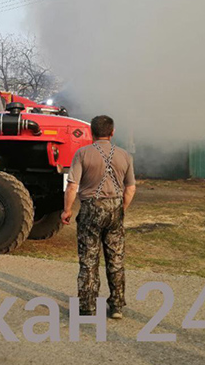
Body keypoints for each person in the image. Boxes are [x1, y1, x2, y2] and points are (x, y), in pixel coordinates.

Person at [61, 115, 136, 319]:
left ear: (92, 132)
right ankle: (117, 306)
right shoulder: (125, 156)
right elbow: (130, 188)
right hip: (115, 208)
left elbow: (72, 186)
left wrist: (67, 210)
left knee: (89, 259)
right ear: (112, 132)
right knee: (116, 259)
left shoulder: (82, 154)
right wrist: (121, 210)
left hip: (91, 209)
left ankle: (87, 306)